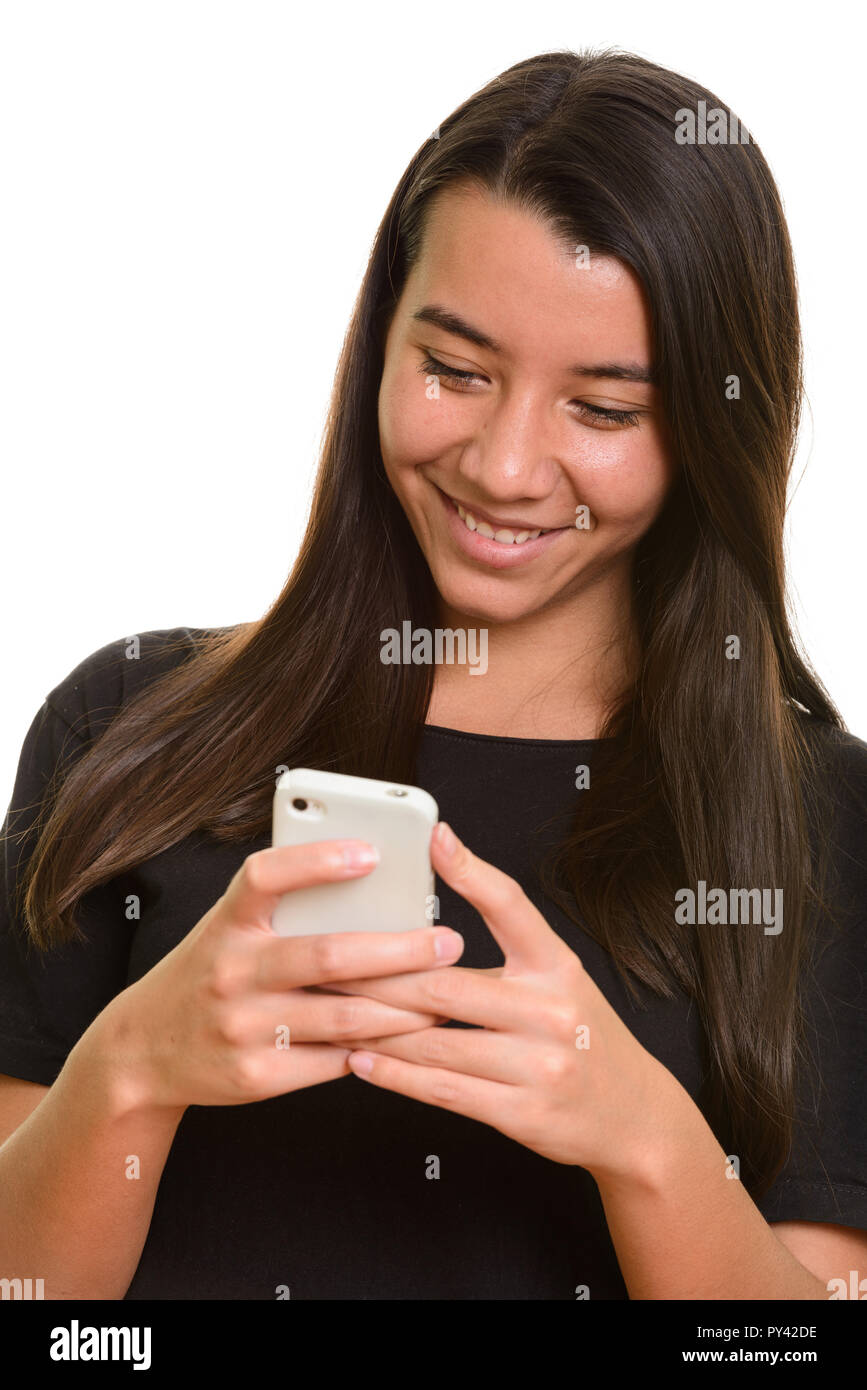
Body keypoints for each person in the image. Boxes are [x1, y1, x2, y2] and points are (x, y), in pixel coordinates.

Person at [1, 48, 865, 1301]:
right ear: (378, 349)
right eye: (454, 371)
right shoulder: (125, 730)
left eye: (604, 410)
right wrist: (131, 1067)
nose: (507, 467)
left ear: (713, 427)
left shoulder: (822, 827)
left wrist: (652, 1147)